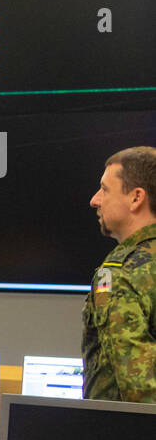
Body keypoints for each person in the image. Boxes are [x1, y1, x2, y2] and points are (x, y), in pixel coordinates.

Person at [81, 146, 156, 402]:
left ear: (136, 198)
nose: (95, 200)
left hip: (125, 437)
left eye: (104, 189)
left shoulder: (119, 274)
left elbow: (139, 390)